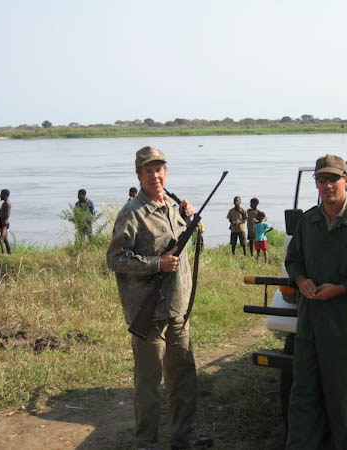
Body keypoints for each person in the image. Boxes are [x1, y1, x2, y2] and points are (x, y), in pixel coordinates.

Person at [107, 146, 209, 450]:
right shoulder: (132, 213)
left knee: (183, 379)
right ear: (139, 176)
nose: (155, 175)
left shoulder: (174, 207)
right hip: (149, 316)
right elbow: (115, 258)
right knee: (149, 384)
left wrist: (190, 219)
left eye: (159, 169)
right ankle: (146, 443)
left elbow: (188, 242)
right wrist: (156, 264)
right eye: (149, 170)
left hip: (178, 310)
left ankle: (184, 438)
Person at [284, 154, 347, 450]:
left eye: (334, 179)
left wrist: (340, 289)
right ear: (316, 183)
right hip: (310, 327)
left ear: (346, 180)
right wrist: (301, 280)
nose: (328, 185)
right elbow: (293, 260)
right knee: (303, 397)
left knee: (345, 402)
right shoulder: (308, 222)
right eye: (322, 179)